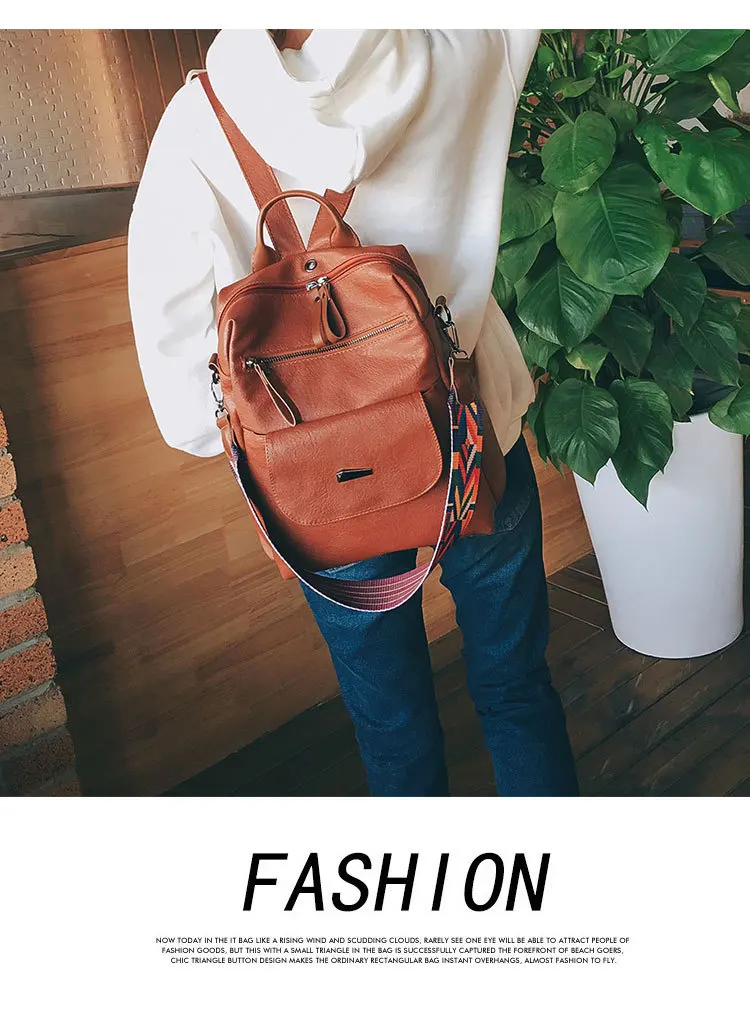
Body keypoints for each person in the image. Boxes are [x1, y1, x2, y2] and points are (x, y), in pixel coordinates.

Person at [127, 29, 579, 797]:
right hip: (473, 434)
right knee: (517, 690)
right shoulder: (470, 45)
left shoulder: (196, 124)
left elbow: (181, 403)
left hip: (318, 482)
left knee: (392, 731)